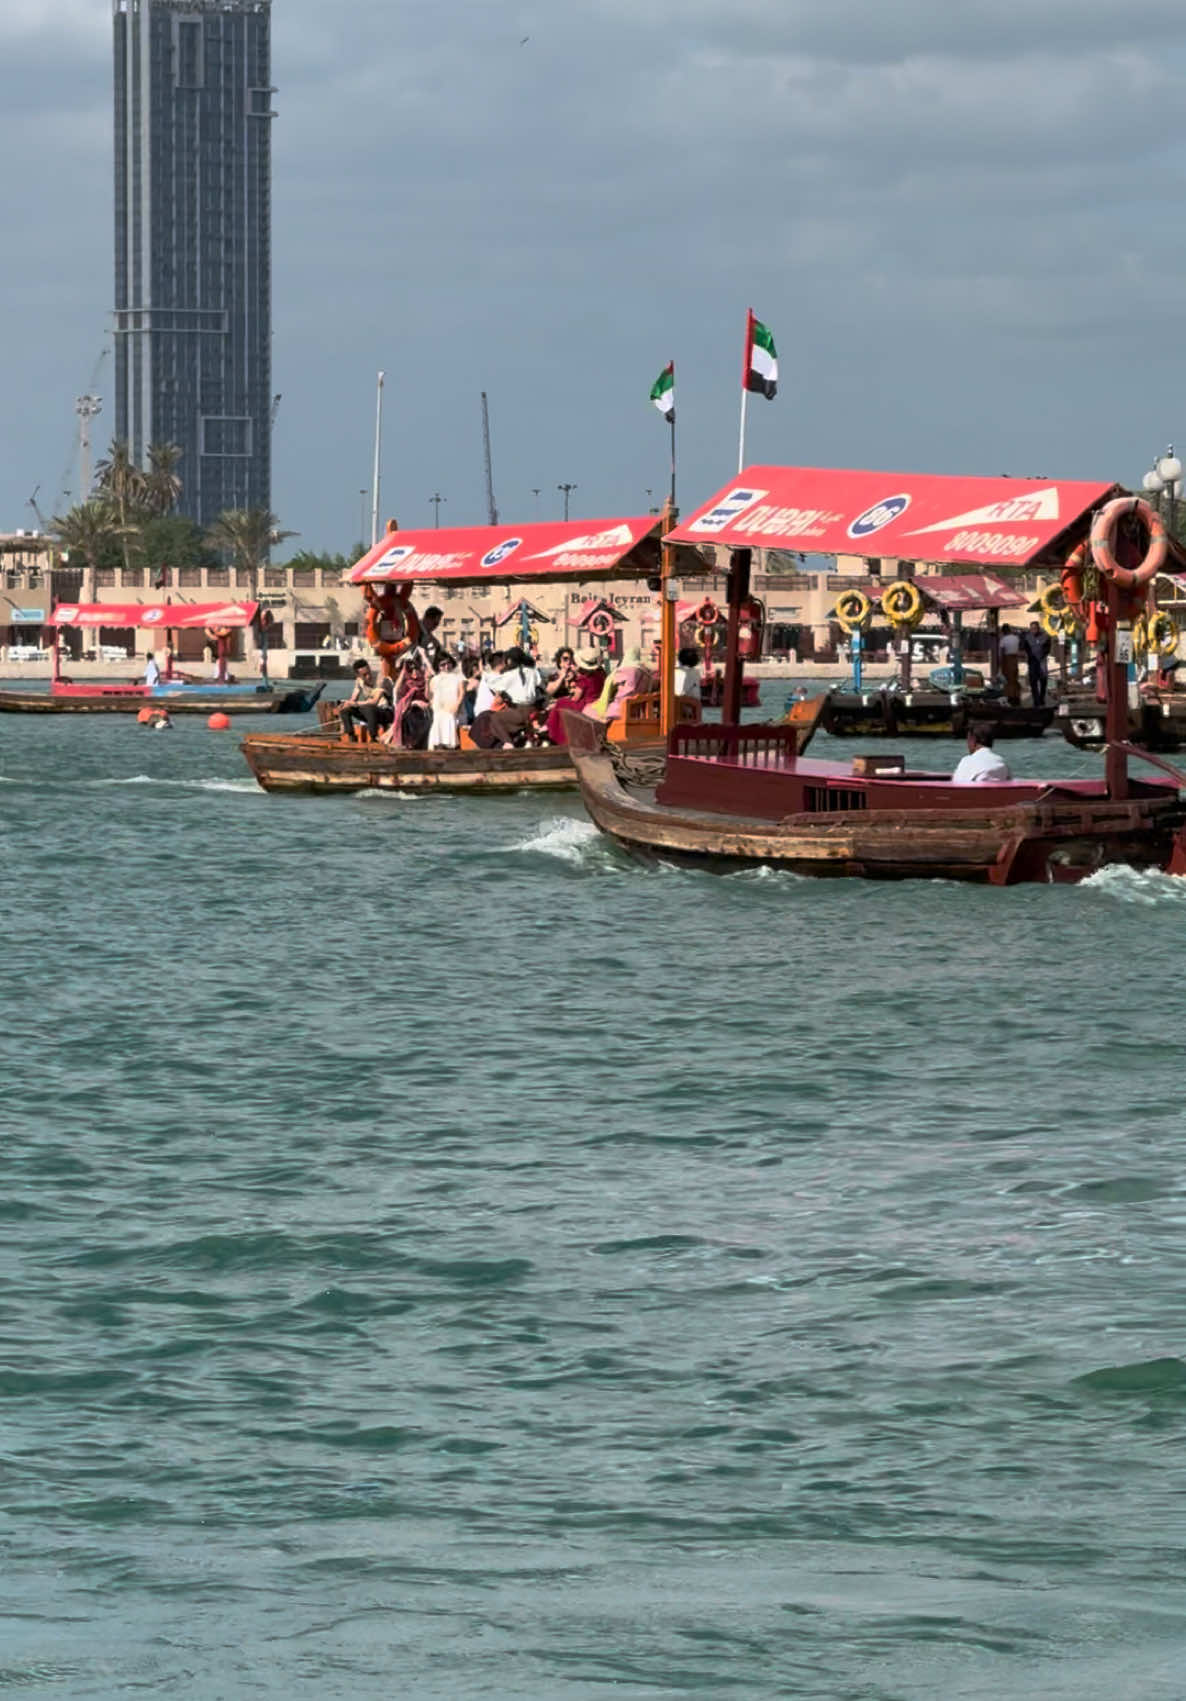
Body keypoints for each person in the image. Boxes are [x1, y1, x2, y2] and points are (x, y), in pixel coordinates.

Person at [544, 647, 607, 744]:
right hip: (595, 701)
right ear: (559, 662)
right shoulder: (600, 674)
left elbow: (576, 698)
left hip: (585, 703)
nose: (569, 662)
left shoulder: (583, 678)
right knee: (560, 703)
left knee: (561, 703)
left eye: (570, 659)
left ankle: (551, 731)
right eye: (565, 659)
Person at [587, 645, 652, 722]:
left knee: (588, 711)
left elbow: (619, 687)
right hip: (637, 709)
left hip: (622, 709)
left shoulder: (629, 670)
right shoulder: (646, 673)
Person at [338, 659, 394, 742]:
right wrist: (347, 703)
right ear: (358, 675)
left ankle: (373, 738)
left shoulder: (381, 680)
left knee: (369, 708)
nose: (368, 676)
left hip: (386, 713)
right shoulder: (359, 681)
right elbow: (353, 698)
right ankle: (351, 736)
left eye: (369, 672)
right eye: (364, 675)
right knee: (345, 709)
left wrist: (355, 703)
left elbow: (374, 701)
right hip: (371, 714)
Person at [427, 651, 465, 749]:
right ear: (438, 666)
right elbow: (429, 696)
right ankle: (438, 745)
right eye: (442, 665)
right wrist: (426, 681)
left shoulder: (458, 677)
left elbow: (461, 693)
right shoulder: (434, 679)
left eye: (448, 663)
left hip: (453, 708)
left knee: (449, 717)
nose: (446, 666)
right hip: (439, 708)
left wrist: (457, 705)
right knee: (439, 717)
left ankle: (449, 745)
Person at [1022, 620, 1052, 707]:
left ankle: (1042, 698)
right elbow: (1025, 648)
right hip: (1032, 662)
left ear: (1038, 629)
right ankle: (1036, 700)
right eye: (1031, 629)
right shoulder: (1027, 637)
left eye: (1035, 628)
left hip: (1042, 662)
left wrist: (1043, 654)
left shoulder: (1045, 636)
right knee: (1033, 682)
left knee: (1043, 681)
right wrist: (1029, 656)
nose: (1033, 630)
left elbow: (1048, 647)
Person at [999, 623, 1022, 705]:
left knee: (1008, 681)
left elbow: (1001, 653)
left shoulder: (1004, 640)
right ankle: (1017, 696)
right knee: (1014, 679)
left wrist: (1000, 665)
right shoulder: (1016, 638)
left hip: (1007, 660)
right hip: (1015, 660)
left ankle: (1011, 698)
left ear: (1003, 631)